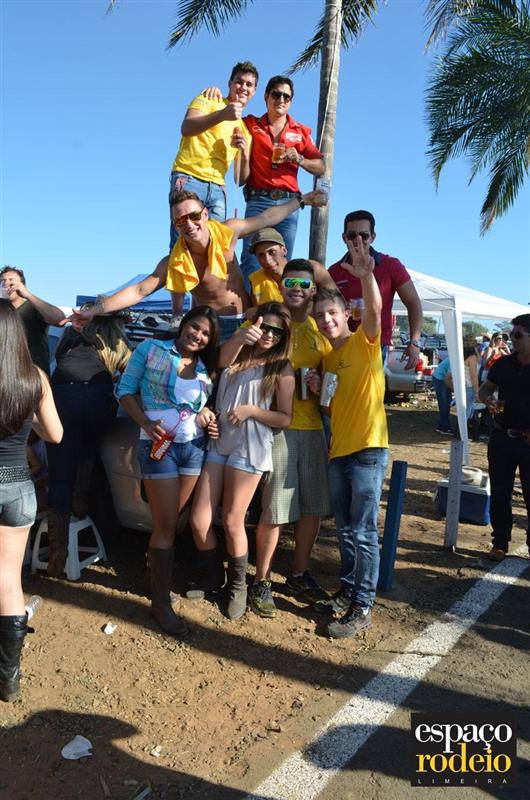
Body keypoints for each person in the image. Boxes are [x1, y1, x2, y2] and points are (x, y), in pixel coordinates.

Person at [72, 189, 324, 342]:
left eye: (193, 216)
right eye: (180, 221)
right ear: (175, 225)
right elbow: (139, 290)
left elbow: (267, 217)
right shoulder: (174, 261)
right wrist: (93, 310)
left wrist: (302, 200)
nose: (189, 224)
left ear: (204, 214)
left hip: (245, 320)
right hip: (210, 327)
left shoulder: (228, 232)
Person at [116, 306, 220, 635]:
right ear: (183, 324)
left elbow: (201, 405)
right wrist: (146, 423)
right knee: (165, 524)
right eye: (195, 327)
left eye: (206, 333)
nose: (198, 335)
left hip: (194, 447)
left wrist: (208, 414)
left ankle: (159, 584)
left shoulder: (205, 367)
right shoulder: (151, 349)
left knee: (172, 522)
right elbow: (124, 391)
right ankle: (160, 605)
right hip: (159, 446)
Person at [189, 302, 294, 620]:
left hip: (250, 447)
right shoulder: (236, 354)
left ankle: (238, 587)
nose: (270, 335)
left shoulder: (281, 367)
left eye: (278, 331)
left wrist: (252, 411)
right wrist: (211, 415)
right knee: (199, 520)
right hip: (219, 441)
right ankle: (213, 576)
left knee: (233, 520)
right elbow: (218, 363)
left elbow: (285, 418)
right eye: (266, 327)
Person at [311, 243, 389, 639]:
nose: (326, 321)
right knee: (344, 530)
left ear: (346, 315)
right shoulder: (327, 359)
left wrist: (366, 275)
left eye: (332, 314)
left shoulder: (365, 341)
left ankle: (362, 606)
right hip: (338, 451)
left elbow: (374, 309)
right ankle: (346, 592)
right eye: (320, 316)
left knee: (363, 532)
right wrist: (317, 391)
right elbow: (330, 409)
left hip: (368, 451)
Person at [250, 261, 331, 618]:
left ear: (313, 290)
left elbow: (329, 380)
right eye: (290, 282)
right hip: (276, 428)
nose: (297, 288)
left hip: (313, 427)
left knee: (312, 507)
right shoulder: (269, 322)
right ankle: (261, 581)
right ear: (281, 286)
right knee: (275, 509)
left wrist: (320, 386)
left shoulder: (320, 328)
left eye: (304, 283)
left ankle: (299, 574)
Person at [0, 300, 63, 703]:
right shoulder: (34, 377)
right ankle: (9, 679)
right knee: (8, 580)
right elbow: (55, 435)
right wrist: (29, 420)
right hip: (17, 488)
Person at [45, 309, 132, 578]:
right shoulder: (115, 341)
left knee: (60, 473)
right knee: (88, 452)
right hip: (97, 400)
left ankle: (58, 549)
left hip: (64, 398)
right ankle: (79, 504)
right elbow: (132, 373)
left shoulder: (70, 336)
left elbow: (58, 359)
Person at [238, 75, 325, 283]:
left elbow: (321, 166)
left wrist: (300, 158)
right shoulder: (251, 124)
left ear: (291, 101)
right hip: (258, 200)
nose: (281, 99)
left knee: (283, 264)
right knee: (251, 261)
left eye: (287, 96)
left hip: (289, 204)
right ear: (266, 96)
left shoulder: (300, 131)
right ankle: (250, 304)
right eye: (276, 94)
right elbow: (231, 111)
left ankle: (281, 304)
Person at [168, 61, 258, 248]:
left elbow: (240, 180)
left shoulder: (245, 131)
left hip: (218, 189)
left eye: (249, 85)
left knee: (213, 248)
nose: (243, 87)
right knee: (182, 246)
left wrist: (244, 152)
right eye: (239, 82)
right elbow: (186, 127)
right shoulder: (209, 98)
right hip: (189, 178)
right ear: (230, 83)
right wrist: (222, 115)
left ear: (254, 91)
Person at [328, 211, 423, 367]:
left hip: (377, 345)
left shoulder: (391, 265)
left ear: (373, 237)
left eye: (364, 235)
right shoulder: (334, 271)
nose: (358, 240)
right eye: (352, 235)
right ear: (344, 238)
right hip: (341, 342)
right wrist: (342, 309)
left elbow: (413, 302)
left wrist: (414, 341)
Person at [478, 314, 530, 562]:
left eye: (518, 335)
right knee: (500, 493)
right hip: (502, 436)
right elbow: (484, 389)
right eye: (511, 335)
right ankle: (499, 543)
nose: (512, 340)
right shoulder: (503, 364)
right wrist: (489, 399)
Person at [246, 227, 337, 308]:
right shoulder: (256, 282)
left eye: (272, 252)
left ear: (284, 250)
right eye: (261, 255)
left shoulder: (313, 269)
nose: (267, 260)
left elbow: (338, 303)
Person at [0, 266, 65, 374]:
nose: (7, 283)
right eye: (3, 281)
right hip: (6, 375)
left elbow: (60, 320)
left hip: (33, 374)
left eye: (11, 280)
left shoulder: (33, 307)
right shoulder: (2, 312)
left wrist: (27, 294)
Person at [432, 356, 454, 435]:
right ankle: (444, 427)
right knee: (444, 404)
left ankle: (441, 426)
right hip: (440, 378)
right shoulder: (455, 361)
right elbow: (447, 379)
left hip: (441, 377)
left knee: (447, 402)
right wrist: (454, 389)